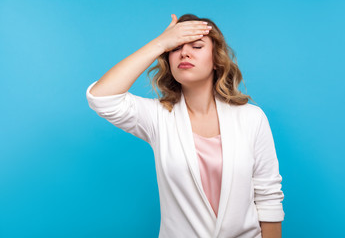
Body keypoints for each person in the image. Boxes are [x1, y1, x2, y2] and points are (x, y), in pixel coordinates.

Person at [86, 13, 285, 238]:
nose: (184, 53)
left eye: (197, 46)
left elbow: (268, 198)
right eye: (176, 47)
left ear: (216, 59)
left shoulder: (251, 118)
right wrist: (160, 42)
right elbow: (101, 97)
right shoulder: (158, 117)